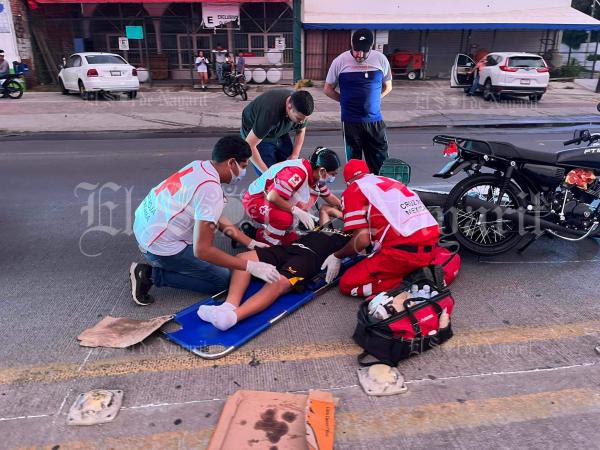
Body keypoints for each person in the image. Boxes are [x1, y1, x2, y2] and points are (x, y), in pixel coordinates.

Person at [129, 135, 279, 306]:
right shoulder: (210, 189)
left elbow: (213, 215)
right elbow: (203, 251)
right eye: (243, 166)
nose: (243, 172)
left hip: (145, 226)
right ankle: (149, 275)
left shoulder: (199, 166)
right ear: (231, 163)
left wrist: (250, 242)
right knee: (223, 281)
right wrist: (249, 266)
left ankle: (169, 265)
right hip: (158, 247)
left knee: (217, 257)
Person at [320, 159, 440, 297]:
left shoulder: (354, 189)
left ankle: (407, 281)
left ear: (348, 181)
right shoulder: (389, 181)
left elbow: (362, 241)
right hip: (432, 242)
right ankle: (423, 269)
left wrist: (337, 255)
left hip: (403, 253)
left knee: (347, 284)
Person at [197, 227, 351, 331]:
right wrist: (338, 211)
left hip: (312, 257)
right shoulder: (330, 224)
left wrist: (339, 256)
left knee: (278, 282)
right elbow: (326, 209)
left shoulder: (355, 236)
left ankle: (232, 317)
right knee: (244, 258)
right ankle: (229, 305)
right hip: (292, 247)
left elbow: (363, 245)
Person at [323, 29, 393, 175]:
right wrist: (345, 102)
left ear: (371, 47)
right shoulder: (340, 61)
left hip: (374, 122)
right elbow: (328, 89)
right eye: (356, 50)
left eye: (363, 51)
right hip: (351, 122)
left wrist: (374, 100)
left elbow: (388, 86)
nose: (359, 55)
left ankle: (379, 195)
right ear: (351, 45)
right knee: (355, 168)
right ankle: (357, 195)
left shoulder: (381, 60)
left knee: (380, 165)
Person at [242, 147, 342, 246]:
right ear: (322, 171)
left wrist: (348, 211)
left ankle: (252, 233)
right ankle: (262, 242)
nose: (333, 177)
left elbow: (330, 197)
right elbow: (272, 196)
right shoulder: (298, 173)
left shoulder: (315, 175)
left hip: (271, 200)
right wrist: (296, 211)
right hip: (255, 200)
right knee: (286, 219)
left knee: (293, 243)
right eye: (333, 174)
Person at [241, 89, 314, 174]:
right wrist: (267, 174)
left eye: (305, 119)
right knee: (270, 177)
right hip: (258, 136)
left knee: (289, 169)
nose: (302, 122)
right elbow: (250, 145)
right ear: (289, 106)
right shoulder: (270, 113)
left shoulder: (300, 107)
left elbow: (300, 131)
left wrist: (295, 155)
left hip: (279, 132)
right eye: (299, 118)